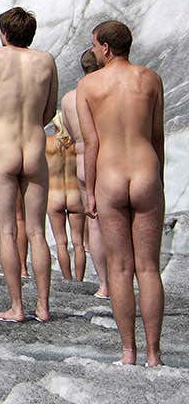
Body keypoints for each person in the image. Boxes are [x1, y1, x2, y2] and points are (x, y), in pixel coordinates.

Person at [78, 20, 164, 366]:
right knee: (149, 268)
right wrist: (159, 180)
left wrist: (90, 192)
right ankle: (154, 354)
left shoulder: (89, 85)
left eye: (94, 45)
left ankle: (128, 352)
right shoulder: (151, 79)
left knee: (120, 267)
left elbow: (91, 143)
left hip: (110, 175)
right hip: (145, 172)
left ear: (106, 48)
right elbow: (156, 137)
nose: (94, 50)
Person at [0, 6, 57, 323]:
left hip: (3, 145)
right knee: (37, 231)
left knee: (7, 230)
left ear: (5, 33)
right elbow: (49, 111)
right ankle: (44, 306)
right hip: (34, 146)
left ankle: (17, 306)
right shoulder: (46, 60)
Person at [61, 48, 108, 297]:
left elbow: (70, 132)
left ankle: (104, 285)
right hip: (104, 160)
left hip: (80, 162)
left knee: (95, 224)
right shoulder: (105, 90)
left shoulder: (69, 98)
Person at [47, 109, 85, 281]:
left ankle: (67, 279)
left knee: (61, 243)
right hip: (75, 194)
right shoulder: (77, 146)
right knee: (78, 243)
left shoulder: (47, 144)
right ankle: (79, 281)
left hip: (54, 195)